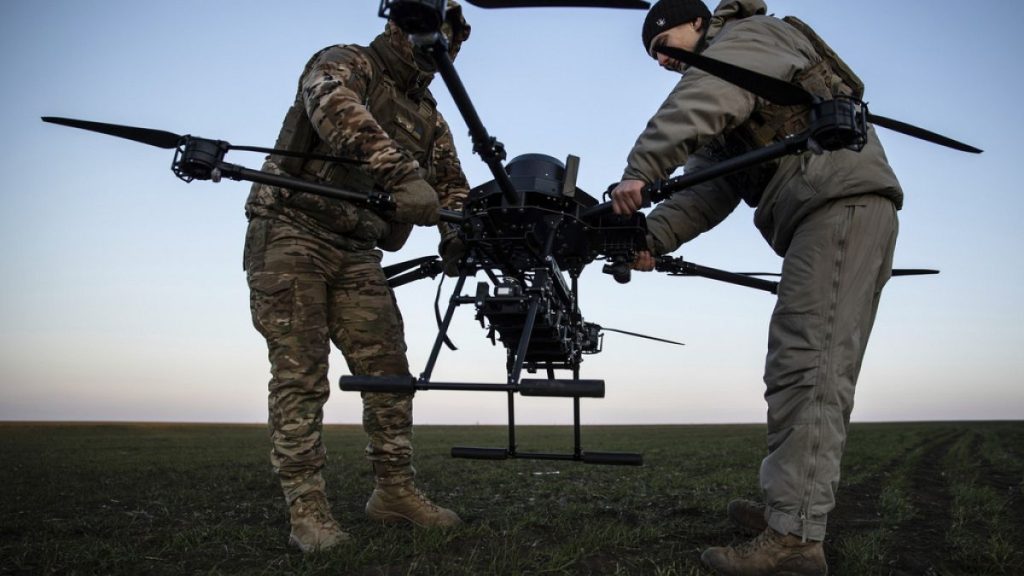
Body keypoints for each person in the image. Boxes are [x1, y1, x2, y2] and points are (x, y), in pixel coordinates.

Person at [611, 0, 902, 574]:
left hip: (839, 205)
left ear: (696, 22)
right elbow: (706, 189)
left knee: (810, 368)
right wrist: (648, 237)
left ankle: (794, 540)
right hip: (817, 214)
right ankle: (786, 510)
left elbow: (701, 98)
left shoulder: (749, 40)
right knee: (792, 366)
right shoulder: (732, 85)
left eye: (665, 44)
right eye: (655, 59)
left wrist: (641, 168)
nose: (665, 62)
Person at [242, 2, 472, 553]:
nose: (436, 52)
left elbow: (452, 183)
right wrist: (398, 171)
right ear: (401, 30)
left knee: (389, 372)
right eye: (428, 38)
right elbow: (331, 102)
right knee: (301, 374)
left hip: (359, 248)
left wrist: (458, 232)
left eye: (448, 44)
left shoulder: (430, 115)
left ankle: (393, 491)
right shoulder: (349, 62)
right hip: (291, 229)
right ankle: (308, 510)